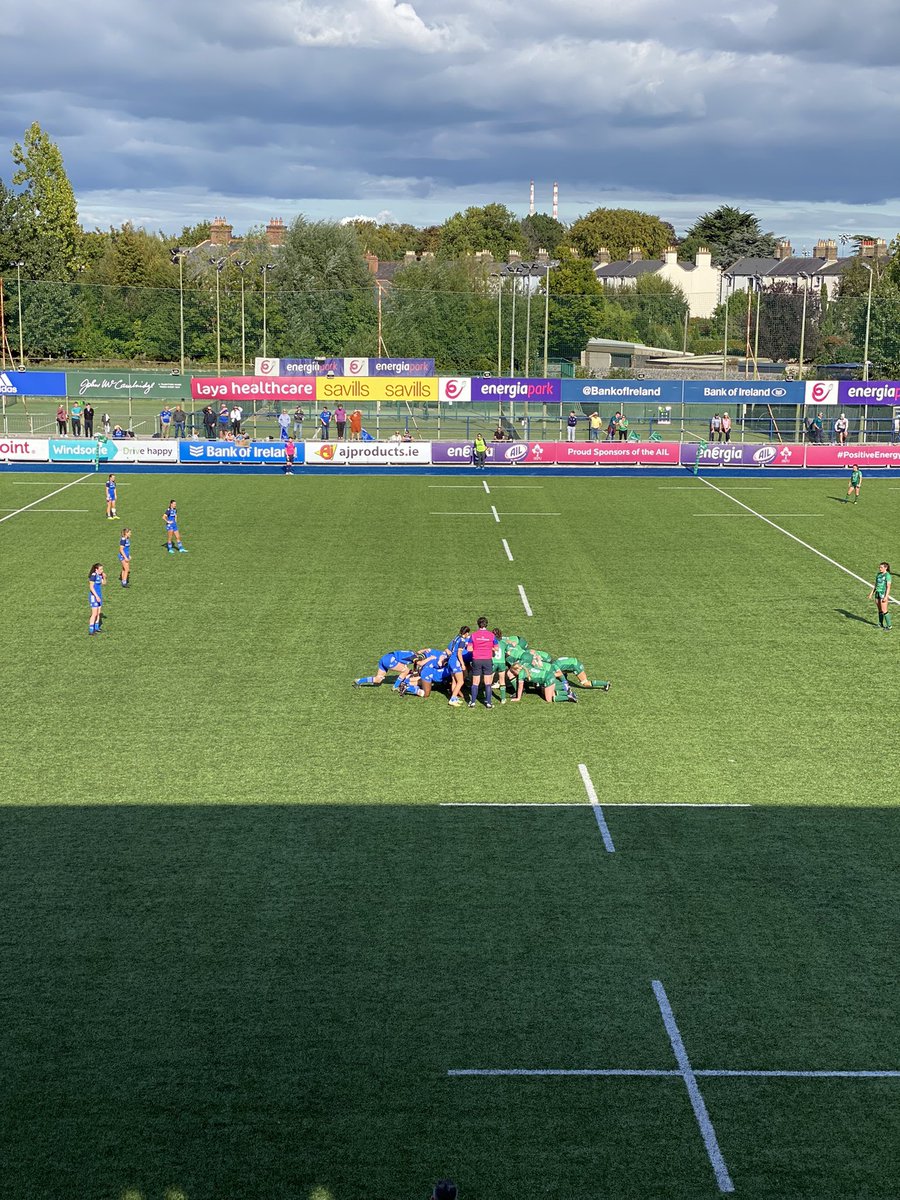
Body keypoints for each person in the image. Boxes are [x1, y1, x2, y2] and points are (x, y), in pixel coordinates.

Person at [467, 617, 498, 708]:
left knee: (475, 682)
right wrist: (489, 648)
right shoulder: (491, 635)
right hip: (487, 660)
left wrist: (477, 649)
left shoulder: (473, 635)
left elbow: (469, 649)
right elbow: (496, 648)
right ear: (486, 624)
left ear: (478, 624)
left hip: (476, 659)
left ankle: (472, 702)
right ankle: (488, 703)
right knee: (488, 682)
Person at [445, 626, 471, 706]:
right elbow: (459, 653)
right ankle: (452, 699)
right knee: (461, 681)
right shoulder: (462, 641)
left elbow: (449, 649)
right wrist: (462, 664)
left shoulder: (456, 637)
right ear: (466, 633)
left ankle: (455, 697)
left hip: (450, 660)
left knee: (454, 680)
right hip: (455, 661)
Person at [868, 561, 892, 630]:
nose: (880, 568)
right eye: (879, 567)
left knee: (884, 610)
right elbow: (876, 585)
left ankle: (889, 626)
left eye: (881, 567)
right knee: (880, 610)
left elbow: (888, 587)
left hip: (883, 594)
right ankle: (880, 623)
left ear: (886, 568)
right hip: (877, 593)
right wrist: (871, 593)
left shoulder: (888, 575)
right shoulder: (878, 574)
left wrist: (886, 596)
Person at [88, 563, 105, 635]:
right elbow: (91, 587)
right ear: (96, 569)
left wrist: (104, 577)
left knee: (98, 613)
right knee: (94, 614)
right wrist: (96, 596)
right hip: (94, 596)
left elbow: (104, 583)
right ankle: (91, 630)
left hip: (99, 596)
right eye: (101, 569)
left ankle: (97, 628)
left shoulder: (100, 575)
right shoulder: (93, 576)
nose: (102, 570)